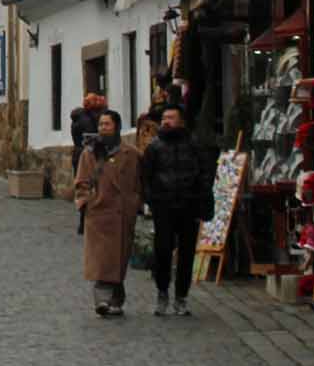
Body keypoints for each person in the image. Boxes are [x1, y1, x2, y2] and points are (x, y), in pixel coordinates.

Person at [140, 103, 214, 317]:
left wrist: (202, 200)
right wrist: (150, 200)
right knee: (162, 251)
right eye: (164, 118)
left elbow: (204, 174)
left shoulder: (193, 145)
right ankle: (162, 292)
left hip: (188, 205)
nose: (166, 121)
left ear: (181, 121)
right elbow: (146, 177)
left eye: (171, 117)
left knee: (187, 253)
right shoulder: (154, 147)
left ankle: (181, 296)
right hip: (163, 206)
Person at [73, 110, 140, 316]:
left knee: (118, 260)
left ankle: (116, 299)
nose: (103, 128)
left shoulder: (132, 154)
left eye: (107, 124)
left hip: (123, 215)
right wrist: (86, 203)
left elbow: (139, 181)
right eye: (101, 124)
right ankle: (101, 300)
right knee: (102, 260)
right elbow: (81, 182)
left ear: (117, 127)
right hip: (100, 214)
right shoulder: (90, 153)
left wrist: (137, 203)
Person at [67, 92, 104, 234]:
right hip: (87, 156)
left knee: (82, 186)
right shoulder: (88, 120)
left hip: (77, 154)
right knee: (90, 186)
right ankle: (85, 221)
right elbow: (93, 138)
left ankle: (83, 221)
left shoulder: (78, 118)